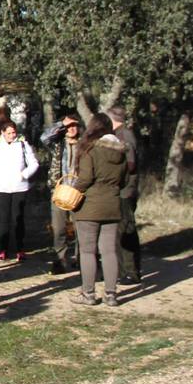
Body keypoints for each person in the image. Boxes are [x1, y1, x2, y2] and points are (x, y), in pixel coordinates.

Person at [69, 112, 128, 307]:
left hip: (90, 206)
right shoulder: (121, 152)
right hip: (112, 205)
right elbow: (125, 180)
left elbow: (85, 179)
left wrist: (73, 190)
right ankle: (111, 295)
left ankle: (89, 294)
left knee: (88, 252)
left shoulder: (90, 151)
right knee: (109, 251)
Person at [0, 120, 39, 261]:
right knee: (3, 218)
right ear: (2, 133)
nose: (11, 135)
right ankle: (3, 249)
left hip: (20, 187)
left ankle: (20, 249)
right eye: (8, 133)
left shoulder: (23, 144)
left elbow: (34, 163)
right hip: (2, 187)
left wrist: (24, 175)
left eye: (13, 132)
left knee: (18, 218)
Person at [40, 113, 83, 274]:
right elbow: (44, 138)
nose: (72, 129)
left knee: (81, 228)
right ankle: (61, 260)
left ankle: (82, 260)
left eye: (75, 126)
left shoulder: (84, 144)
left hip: (79, 192)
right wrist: (61, 124)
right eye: (69, 126)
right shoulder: (58, 144)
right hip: (59, 191)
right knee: (59, 229)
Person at [106, 105, 142, 284]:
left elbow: (131, 163)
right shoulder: (117, 135)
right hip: (118, 190)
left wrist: (113, 172)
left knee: (126, 230)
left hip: (125, 190)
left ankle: (131, 271)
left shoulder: (125, 135)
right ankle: (121, 271)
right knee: (118, 232)